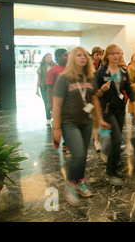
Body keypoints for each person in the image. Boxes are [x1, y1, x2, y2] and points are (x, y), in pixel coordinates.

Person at [52, 46, 111, 206]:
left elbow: (94, 100)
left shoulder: (90, 77)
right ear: (72, 59)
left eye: (84, 55)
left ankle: (80, 180)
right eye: (78, 55)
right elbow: (56, 105)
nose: (82, 57)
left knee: (82, 155)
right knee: (77, 154)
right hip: (69, 122)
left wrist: (99, 119)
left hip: (86, 122)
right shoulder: (64, 78)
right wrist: (56, 128)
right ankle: (71, 184)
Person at [96, 44, 135, 186]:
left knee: (116, 140)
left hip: (120, 110)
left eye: (118, 53)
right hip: (107, 110)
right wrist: (102, 90)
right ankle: (111, 171)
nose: (116, 56)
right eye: (113, 53)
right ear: (107, 56)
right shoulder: (101, 72)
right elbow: (95, 95)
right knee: (116, 140)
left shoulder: (123, 71)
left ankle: (110, 159)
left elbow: (129, 89)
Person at [36, 53, 55, 126]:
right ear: (44, 58)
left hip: (52, 86)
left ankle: (53, 115)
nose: (50, 58)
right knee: (46, 102)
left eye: (51, 57)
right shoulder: (41, 67)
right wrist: (37, 89)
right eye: (48, 57)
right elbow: (39, 79)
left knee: (53, 101)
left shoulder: (54, 66)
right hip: (43, 86)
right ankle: (48, 118)